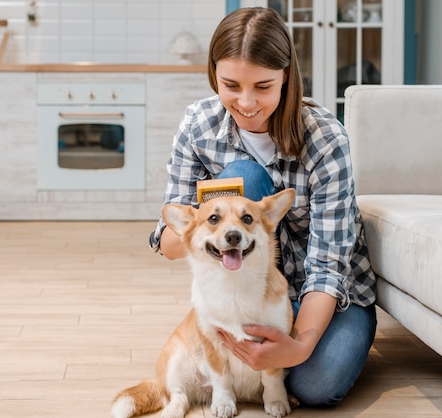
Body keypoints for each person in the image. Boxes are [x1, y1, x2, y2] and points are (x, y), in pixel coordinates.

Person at [148, 7, 377, 408]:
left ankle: (287, 348)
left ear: (287, 77)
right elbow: (169, 245)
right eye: (231, 85)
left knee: (316, 385)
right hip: (244, 287)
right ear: (213, 74)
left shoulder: (325, 140)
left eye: (263, 86)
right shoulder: (198, 126)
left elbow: (327, 268)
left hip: (320, 291)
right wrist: (204, 220)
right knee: (243, 178)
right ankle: (234, 350)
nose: (247, 102)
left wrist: (300, 345)